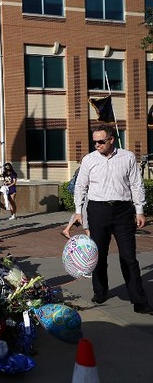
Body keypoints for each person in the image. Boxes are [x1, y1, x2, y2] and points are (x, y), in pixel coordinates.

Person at [73, 124, 153, 314]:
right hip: (97, 210)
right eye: (94, 142)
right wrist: (78, 211)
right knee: (99, 255)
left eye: (101, 141)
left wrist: (140, 210)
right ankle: (100, 291)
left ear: (111, 139)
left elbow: (136, 184)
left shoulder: (128, 157)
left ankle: (139, 300)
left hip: (123, 212)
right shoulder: (89, 160)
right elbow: (80, 187)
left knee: (129, 257)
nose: (97, 145)